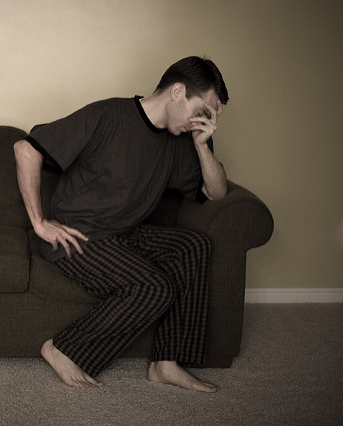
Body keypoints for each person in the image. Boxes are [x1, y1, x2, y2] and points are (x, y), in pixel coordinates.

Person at [13, 56, 229, 392]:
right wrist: (40, 223)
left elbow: (216, 193)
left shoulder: (184, 140)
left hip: (124, 234)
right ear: (177, 92)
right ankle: (62, 348)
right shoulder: (109, 114)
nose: (204, 122)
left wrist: (202, 146)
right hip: (77, 236)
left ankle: (165, 363)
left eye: (212, 117)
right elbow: (26, 149)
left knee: (195, 246)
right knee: (156, 287)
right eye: (203, 111)